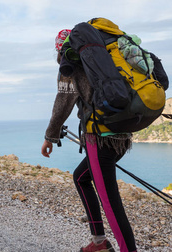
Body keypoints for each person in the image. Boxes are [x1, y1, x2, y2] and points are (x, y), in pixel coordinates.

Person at [41, 29, 137, 252]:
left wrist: (49, 137)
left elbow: (63, 103)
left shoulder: (70, 61)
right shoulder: (105, 56)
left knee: (112, 206)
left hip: (99, 138)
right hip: (122, 134)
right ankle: (99, 242)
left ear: (60, 49)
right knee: (81, 178)